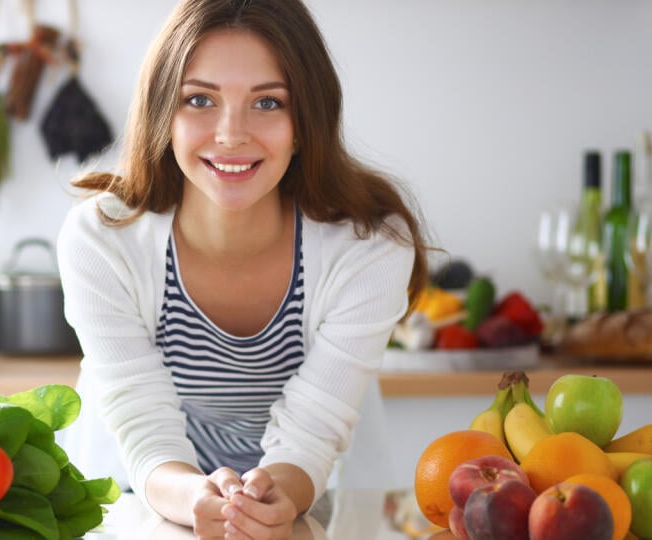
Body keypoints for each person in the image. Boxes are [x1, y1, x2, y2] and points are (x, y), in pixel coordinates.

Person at [56, 0, 430, 538]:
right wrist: (194, 497)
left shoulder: (369, 247)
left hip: (316, 498)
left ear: (307, 122)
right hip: (139, 499)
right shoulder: (101, 239)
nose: (231, 134)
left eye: (268, 103)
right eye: (200, 99)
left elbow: (314, 428)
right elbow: (142, 421)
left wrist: (270, 498)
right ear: (164, 110)